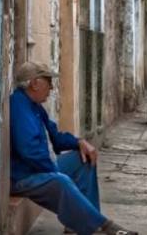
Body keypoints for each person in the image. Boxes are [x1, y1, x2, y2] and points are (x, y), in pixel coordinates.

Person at [10, 61, 137, 235]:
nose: (52, 87)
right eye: (48, 81)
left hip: (41, 167)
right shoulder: (19, 105)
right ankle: (100, 227)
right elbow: (29, 151)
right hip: (24, 176)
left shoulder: (36, 107)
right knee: (61, 181)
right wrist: (54, 171)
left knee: (84, 159)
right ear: (34, 83)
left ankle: (79, 224)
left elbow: (56, 137)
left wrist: (79, 142)